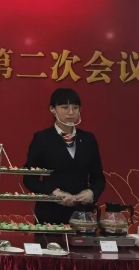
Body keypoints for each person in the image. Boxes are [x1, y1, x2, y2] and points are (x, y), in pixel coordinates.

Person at [23, 87, 105, 226]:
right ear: (52, 109)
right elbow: (29, 179)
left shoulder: (88, 139)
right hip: (49, 215)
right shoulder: (42, 138)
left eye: (75, 108)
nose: (71, 112)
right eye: (65, 107)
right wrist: (53, 193)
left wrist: (91, 193)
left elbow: (99, 179)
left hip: (82, 215)